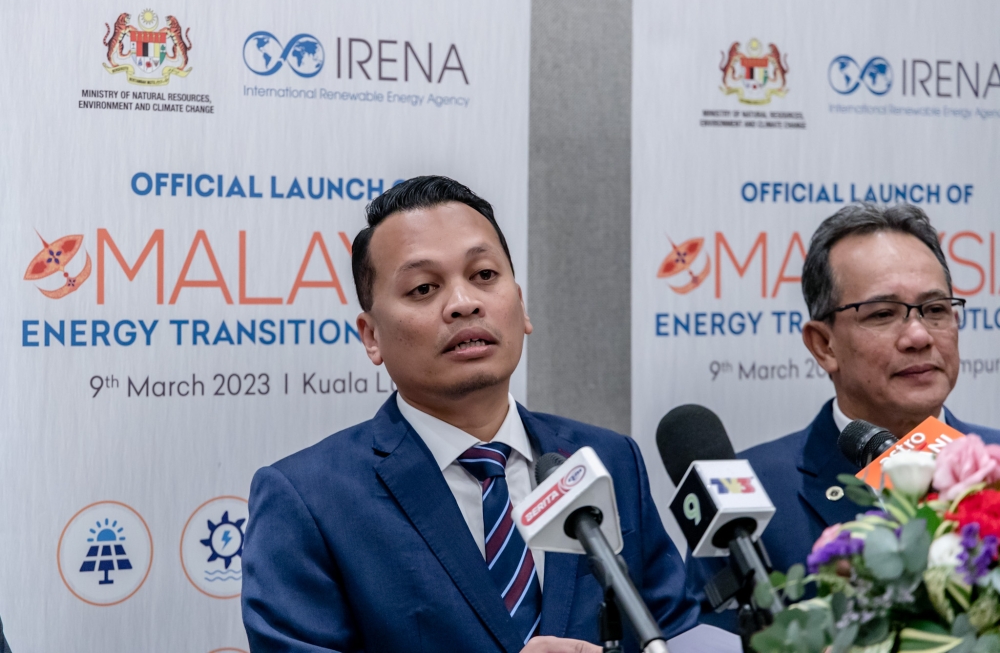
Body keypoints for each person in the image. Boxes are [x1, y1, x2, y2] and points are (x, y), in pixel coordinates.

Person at [241, 176, 699, 652]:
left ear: (520, 304)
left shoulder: (607, 459)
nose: (464, 303)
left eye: (484, 275)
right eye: (423, 288)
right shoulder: (308, 500)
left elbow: (677, 635)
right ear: (371, 335)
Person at [685, 203, 1000, 628]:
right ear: (823, 345)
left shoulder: (994, 463)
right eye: (883, 314)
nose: (919, 336)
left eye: (936, 309)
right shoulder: (748, 495)